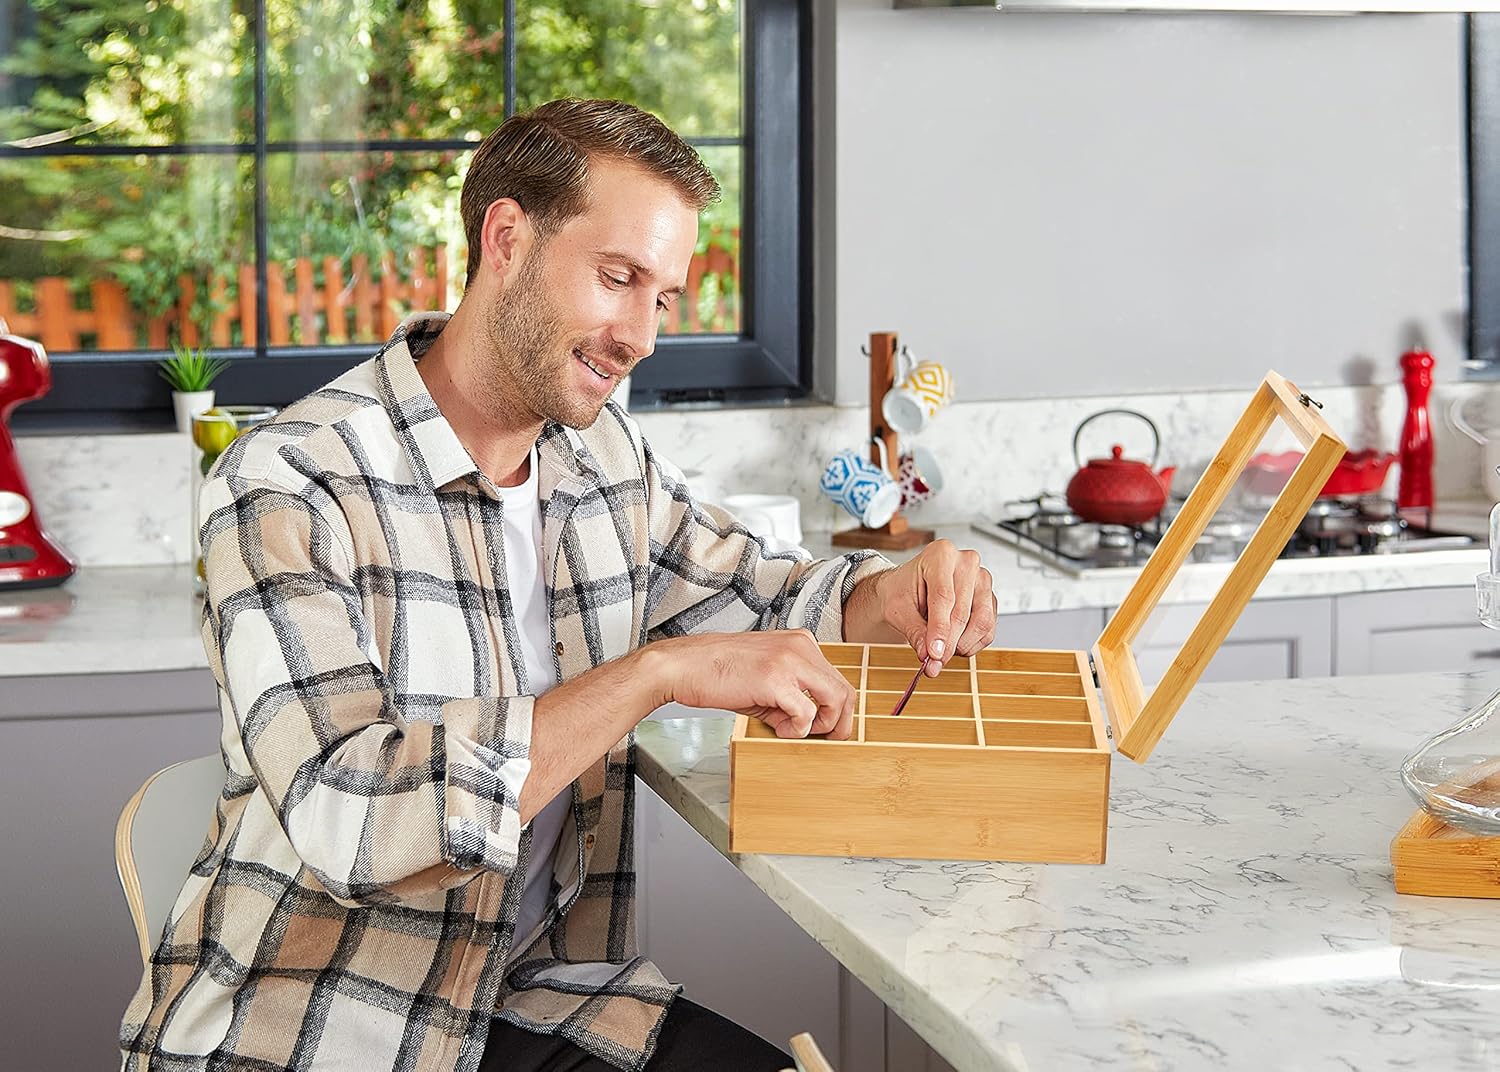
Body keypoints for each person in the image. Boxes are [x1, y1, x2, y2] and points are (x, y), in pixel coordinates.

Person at [120, 98, 996, 1072]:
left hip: (530, 1003)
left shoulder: (602, 459)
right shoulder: (288, 483)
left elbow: (765, 596)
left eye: (663, 298)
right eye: (618, 278)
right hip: (313, 1033)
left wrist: (895, 592)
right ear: (506, 239)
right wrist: (653, 674)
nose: (643, 336)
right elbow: (350, 819)